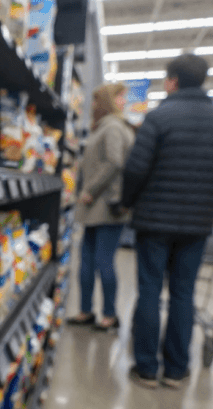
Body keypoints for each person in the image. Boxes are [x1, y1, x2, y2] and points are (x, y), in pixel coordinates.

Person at [120, 53, 213, 389]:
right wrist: (202, 189)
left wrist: (128, 201)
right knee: (182, 294)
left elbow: (135, 168)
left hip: (154, 220)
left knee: (149, 291)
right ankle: (176, 370)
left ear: (172, 80)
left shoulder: (158, 118)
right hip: (196, 223)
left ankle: (146, 368)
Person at [68, 83, 136, 331]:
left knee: (101, 260)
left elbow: (114, 162)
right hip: (98, 206)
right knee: (88, 260)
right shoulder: (107, 127)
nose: (123, 102)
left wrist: (90, 190)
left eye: (97, 101)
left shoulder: (114, 128)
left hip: (105, 204)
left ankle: (107, 314)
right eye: (120, 97)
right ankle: (87, 311)